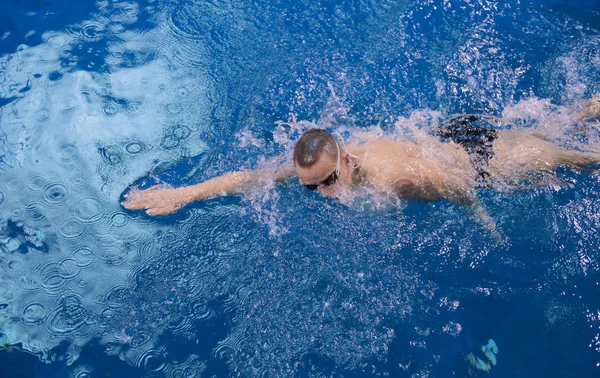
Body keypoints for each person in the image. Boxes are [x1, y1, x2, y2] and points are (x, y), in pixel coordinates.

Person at [122, 96, 600, 234]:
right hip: (442, 135)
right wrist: (181, 194)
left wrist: (485, 225)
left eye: (330, 181)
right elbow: (247, 178)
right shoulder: (316, 168)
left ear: (347, 160)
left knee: (580, 160)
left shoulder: (397, 176)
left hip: (479, 161)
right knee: (556, 122)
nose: (326, 193)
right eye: (314, 188)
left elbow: (457, 187)